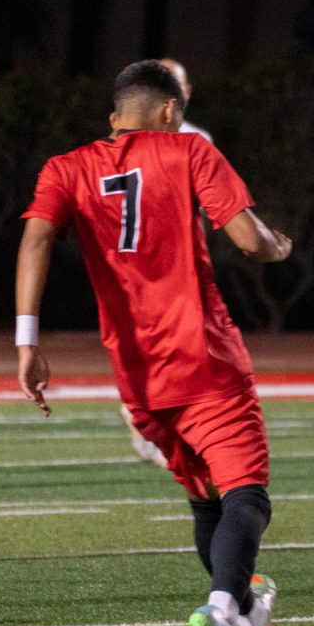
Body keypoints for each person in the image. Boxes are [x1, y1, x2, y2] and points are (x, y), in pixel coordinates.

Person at [14, 60, 293, 626]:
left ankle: (246, 610)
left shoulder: (66, 167)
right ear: (170, 112)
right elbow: (249, 239)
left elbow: (34, 243)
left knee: (205, 500)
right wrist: (279, 245)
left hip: (137, 375)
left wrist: (27, 343)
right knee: (247, 496)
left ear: (115, 117)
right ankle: (224, 608)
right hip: (205, 358)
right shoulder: (190, 148)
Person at [119, 57, 214, 469]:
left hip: (135, 262)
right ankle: (152, 420)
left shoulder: (120, 138)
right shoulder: (191, 140)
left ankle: (152, 419)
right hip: (165, 263)